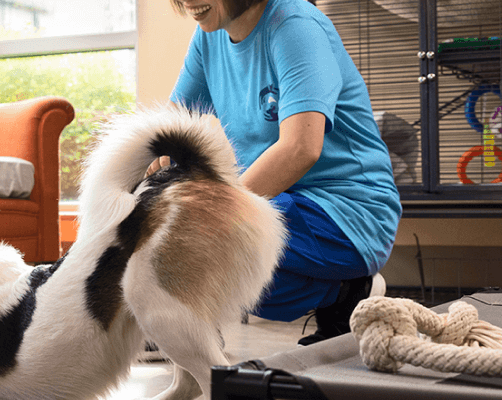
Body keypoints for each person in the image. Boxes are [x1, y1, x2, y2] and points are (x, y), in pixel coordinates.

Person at [164, 0, 401, 346]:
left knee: (207, 247)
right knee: (188, 239)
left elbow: (300, 148)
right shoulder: (208, 37)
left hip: (349, 210)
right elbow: (170, 129)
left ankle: (347, 288)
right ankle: (342, 292)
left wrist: (211, 215)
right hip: (281, 199)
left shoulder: (295, 26)